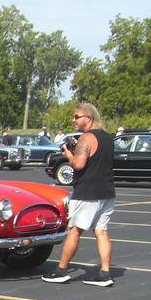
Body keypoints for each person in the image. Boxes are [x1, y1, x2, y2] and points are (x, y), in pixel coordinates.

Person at [42, 102, 115, 287]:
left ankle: (61, 271)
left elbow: (78, 164)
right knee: (102, 232)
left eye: (77, 117)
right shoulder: (108, 137)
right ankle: (105, 273)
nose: (73, 120)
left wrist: (69, 155)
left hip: (87, 192)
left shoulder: (86, 138)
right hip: (107, 192)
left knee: (74, 231)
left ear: (88, 118)